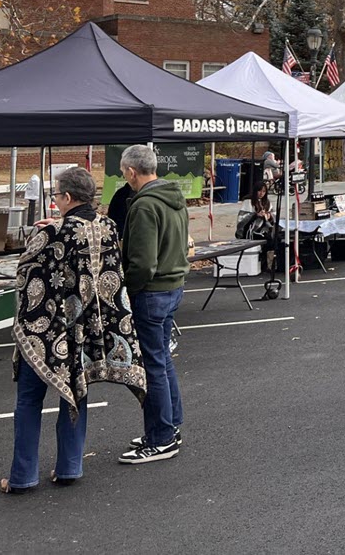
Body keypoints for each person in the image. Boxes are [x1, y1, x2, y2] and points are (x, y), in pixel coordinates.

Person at [1, 168, 147, 493]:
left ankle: (23, 476)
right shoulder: (108, 227)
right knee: (77, 394)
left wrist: (42, 234)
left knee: (29, 400)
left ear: (66, 197)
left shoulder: (54, 232)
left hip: (47, 333)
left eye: (56, 196)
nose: (55, 200)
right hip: (85, 332)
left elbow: (26, 271)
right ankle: (69, 467)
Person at [118, 145, 190, 465]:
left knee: (153, 366)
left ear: (132, 172)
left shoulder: (145, 205)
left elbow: (143, 262)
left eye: (124, 173)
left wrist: (128, 290)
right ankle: (169, 426)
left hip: (151, 292)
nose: (124, 178)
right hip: (173, 286)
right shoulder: (173, 197)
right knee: (162, 361)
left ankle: (161, 437)